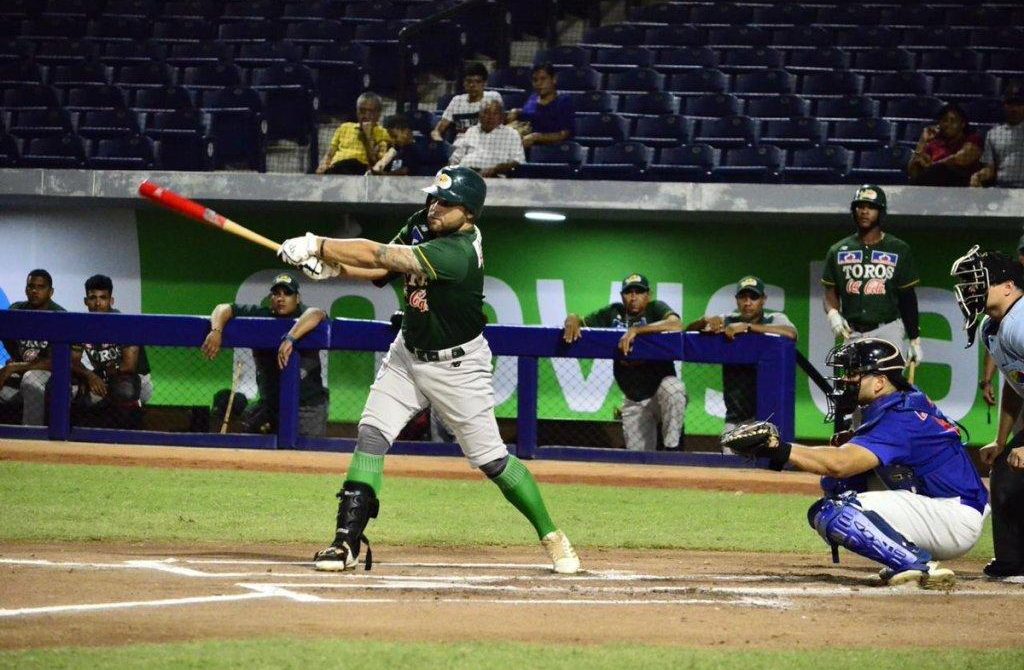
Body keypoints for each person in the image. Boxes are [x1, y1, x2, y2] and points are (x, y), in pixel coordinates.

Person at [277, 166, 581, 574]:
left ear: (469, 213)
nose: (435, 208)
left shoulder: (458, 252)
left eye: (447, 203)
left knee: (492, 462)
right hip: (407, 353)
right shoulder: (424, 222)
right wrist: (334, 269)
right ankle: (345, 542)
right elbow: (383, 273)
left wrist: (319, 244)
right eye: (435, 199)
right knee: (371, 435)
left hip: (459, 366)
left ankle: (553, 537)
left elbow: (382, 255)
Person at [722, 338, 988, 589]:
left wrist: (779, 449)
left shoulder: (901, 417)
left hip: (953, 516)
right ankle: (906, 556)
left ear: (880, 382)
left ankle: (916, 564)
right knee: (839, 487)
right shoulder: (889, 405)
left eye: (854, 373)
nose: (845, 380)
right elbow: (840, 475)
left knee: (836, 510)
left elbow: (841, 463)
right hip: (937, 505)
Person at [951, 246, 1024, 580]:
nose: (971, 291)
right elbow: (1015, 383)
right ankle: (1013, 563)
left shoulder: (1020, 323)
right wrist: (1001, 440)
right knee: (1005, 470)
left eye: (980, 283)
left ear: (1008, 287)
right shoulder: (991, 327)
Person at [563, 273, 686, 452]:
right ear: (622, 296)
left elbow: (677, 325)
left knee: (674, 388)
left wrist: (637, 330)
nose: (634, 297)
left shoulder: (655, 308)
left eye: (639, 292)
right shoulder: (614, 312)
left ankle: (672, 450)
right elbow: (580, 320)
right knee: (638, 464)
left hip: (660, 393)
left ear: (648, 295)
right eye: (629, 292)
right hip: (633, 398)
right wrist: (571, 318)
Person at [201, 273, 328, 437]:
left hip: (306, 406)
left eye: (287, 293)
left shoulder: (306, 314)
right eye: (276, 293)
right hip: (271, 405)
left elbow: (316, 313)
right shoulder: (261, 315)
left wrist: (290, 338)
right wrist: (216, 330)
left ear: (297, 298)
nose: (281, 298)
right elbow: (223, 308)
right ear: (271, 298)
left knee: (307, 457)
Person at [821, 185, 922, 380]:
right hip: (852, 332)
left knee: (887, 391)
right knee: (849, 390)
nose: (864, 211)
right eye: (860, 206)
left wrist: (914, 340)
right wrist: (833, 312)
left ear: (881, 212)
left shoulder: (898, 249)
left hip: (888, 330)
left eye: (871, 206)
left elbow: (907, 299)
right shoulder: (838, 250)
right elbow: (829, 292)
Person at [686, 276, 797, 448]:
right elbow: (688, 333)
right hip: (737, 418)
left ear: (763, 300)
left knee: (771, 468)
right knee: (729, 467)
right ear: (737, 300)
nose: (748, 302)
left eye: (753, 297)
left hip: (768, 417)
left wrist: (749, 327)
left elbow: (791, 333)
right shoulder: (728, 319)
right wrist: (704, 321)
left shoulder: (774, 319)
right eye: (743, 297)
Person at [72, 274, 153, 427]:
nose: (97, 303)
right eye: (92, 297)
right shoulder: (81, 326)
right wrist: (90, 376)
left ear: (111, 300)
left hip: (136, 380)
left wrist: (99, 376)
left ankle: (130, 433)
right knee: (81, 394)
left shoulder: (124, 324)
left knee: (123, 390)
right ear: (85, 301)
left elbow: (129, 366)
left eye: (103, 298)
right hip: (105, 377)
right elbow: (73, 361)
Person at [0, 269, 67, 426]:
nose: (35, 291)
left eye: (40, 287)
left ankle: (31, 435)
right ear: (25, 289)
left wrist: (15, 367)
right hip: (21, 369)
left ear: (51, 292)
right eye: (31, 286)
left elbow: (56, 361)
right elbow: (7, 339)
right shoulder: (17, 310)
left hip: (49, 374)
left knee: (31, 379)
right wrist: (15, 363)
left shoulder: (59, 315)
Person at [907, 103, 982, 187]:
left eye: (953, 121)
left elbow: (961, 158)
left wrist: (933, 167)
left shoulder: (973, 139)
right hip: (935, 190)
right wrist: (922, 141)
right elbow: (913, 173)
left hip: (962, 188)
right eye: (944, 120)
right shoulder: (934, 144)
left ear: (962, 124)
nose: (948, 124)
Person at [316, 92, 390, 175]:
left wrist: (367, 136)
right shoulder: (345, 127)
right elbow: (329, 154)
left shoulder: (383, 133)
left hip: (361, 170)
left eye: (371, 112)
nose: (366, 115)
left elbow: (377, 162)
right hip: (337, 167)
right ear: (357, 112)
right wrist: (323, 165)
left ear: (378, 114)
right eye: (362, 111)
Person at [448, 99, 525, 178]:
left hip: (495, 177)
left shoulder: (511, 134)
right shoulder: (471, 131)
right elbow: (455, 159)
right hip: (466, 175)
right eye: (486, 113)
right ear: (479, 115)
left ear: (501, 117)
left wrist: (495, 169)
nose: (490, 117)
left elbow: (518, 161)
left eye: (495, 113)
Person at [507, 62, 575, 149]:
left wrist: (537, 137)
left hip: (552, 151)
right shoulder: (532, 98)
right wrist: (516, 111)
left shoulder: (563, 101)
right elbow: (528, 115)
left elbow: (564, 134)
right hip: (525, 148)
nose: (539, 83)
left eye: (543, 79)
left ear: (554, 79)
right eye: (535, 80)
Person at [431, 62, 503, 142]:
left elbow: (501, 125)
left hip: (486, 144)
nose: (472, 85)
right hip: (460, 146)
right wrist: (436, 135)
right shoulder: (457, 101)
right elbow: (440, 128)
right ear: (464, 83)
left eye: (477, 82)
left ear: (485, 83)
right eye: (469, 81)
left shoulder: (493, 97)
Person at [971, 80, 1024, 189]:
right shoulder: (994, 134)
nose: (1014, 109)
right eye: (1010, 104)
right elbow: (990, 169)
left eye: (1019, 104)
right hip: (1002, 189)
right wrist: (979, 175)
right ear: (1004, 105)